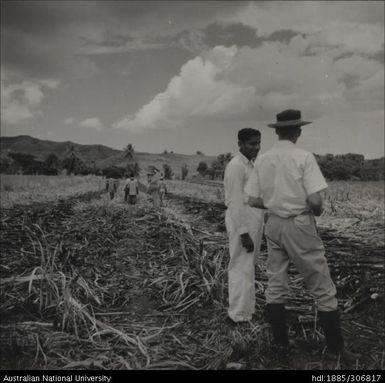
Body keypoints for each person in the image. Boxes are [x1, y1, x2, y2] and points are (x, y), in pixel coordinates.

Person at [245, 109, 356, 362]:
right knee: (322, 285)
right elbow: (315, 199)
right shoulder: (303, 156)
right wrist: (315, 210)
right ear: (298, 131)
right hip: (300, 224)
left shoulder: (263, 159)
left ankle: (281, 345)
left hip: (273, 224)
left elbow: (252, 199)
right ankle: (337, 350)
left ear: (276, 131)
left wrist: (275, 203)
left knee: (276, 284)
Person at [224, 128, 265, 324]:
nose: (256, 147)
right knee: (241, 268)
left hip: (252, 223)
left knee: (247, 267)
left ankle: (245, 311)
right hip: (243, 225)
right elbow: (234, 202)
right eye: (252, 143)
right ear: (240, 144)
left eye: (258, 143)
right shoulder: (236, 166)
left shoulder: (250, 165)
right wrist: (243, 233)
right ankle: (238, 316)